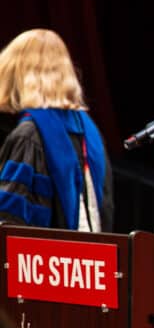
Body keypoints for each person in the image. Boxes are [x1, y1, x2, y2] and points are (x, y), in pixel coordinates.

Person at [0, 29, 113, 231]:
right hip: (90, 257)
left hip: (45, 258)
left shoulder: (29, 135)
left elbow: (9, 218)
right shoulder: (90, 132)